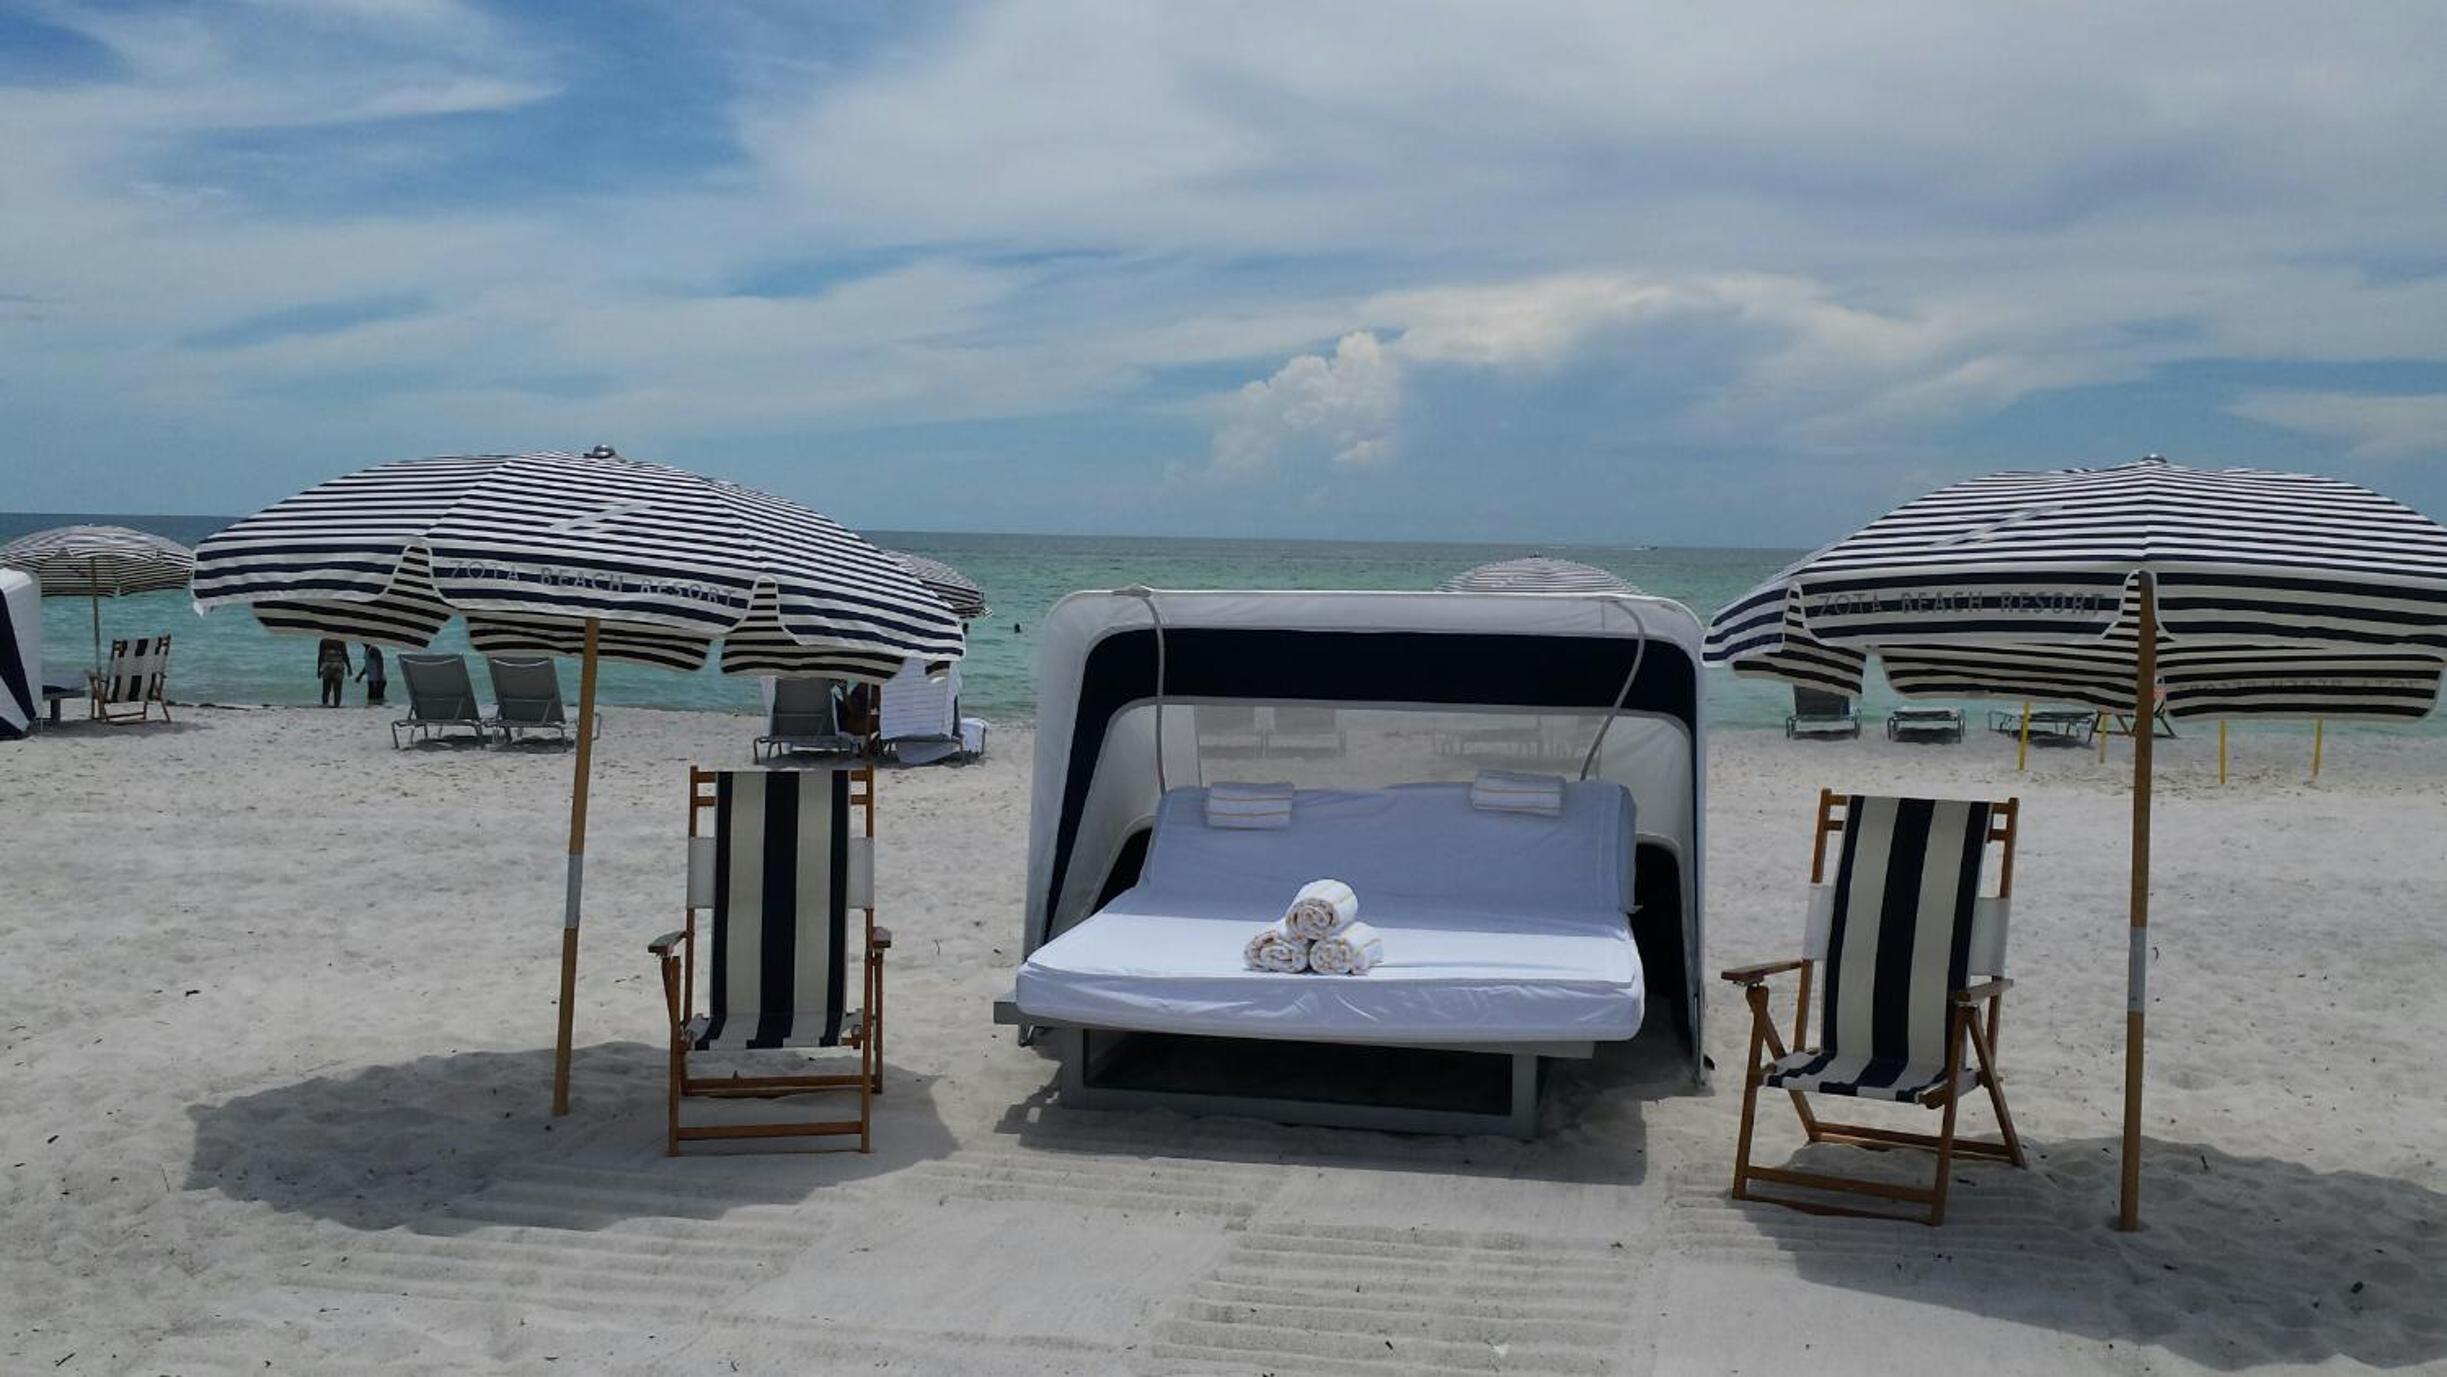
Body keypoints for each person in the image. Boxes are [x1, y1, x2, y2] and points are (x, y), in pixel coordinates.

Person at [316, 638, 351, 708]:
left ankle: (325, 704)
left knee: (326, 688)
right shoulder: (340, 641)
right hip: (338, 665)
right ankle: (336, 705)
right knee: (338, 688)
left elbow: (321, 655)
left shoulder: (324, 641)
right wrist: (349, 667)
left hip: (327, 665)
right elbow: (345, 654)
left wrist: (318, 669)